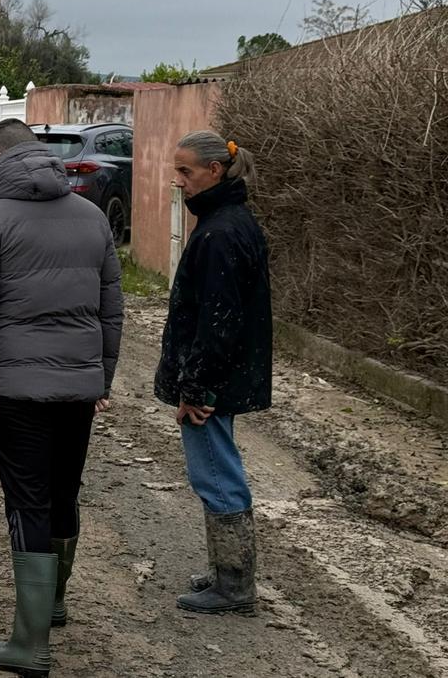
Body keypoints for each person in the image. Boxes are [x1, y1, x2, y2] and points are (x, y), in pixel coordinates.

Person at [0, 119, 123, 678]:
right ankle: (54, 603)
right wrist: (102, 378)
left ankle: (30, 642)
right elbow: (111, 309)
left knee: (27, 501)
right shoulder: (92, 217)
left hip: (18, 391)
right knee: (64, 490)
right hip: (78, 387)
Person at [155, 130, 271, 615]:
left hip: (213, 383)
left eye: (185, 171)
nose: (178, 181)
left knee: (215, 474)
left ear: (215, 170)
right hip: (223, 375)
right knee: (218, 469)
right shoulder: (229, 221)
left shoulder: (220, 232)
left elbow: (218, 320)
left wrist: (195, 388)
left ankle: (234, 585)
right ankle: (226, 572)